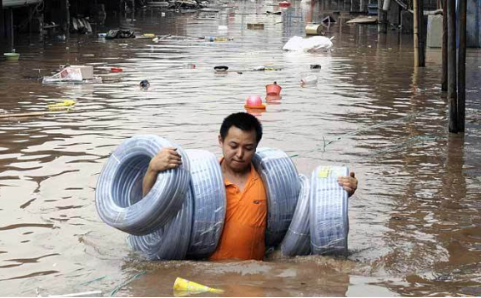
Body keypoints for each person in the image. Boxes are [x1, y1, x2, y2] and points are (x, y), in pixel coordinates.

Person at [142, 112, 359, 261]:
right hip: (208, 274)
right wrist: (152, 169)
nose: (239, 154)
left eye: (248, 148)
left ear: (256, 147)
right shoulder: (195, 184)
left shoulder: (271, 183)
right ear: (220, 140)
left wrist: (340, 192)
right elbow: (153, 212)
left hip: (256, 274)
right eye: (233, 146)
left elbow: (306, 212)